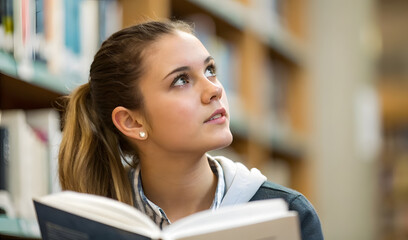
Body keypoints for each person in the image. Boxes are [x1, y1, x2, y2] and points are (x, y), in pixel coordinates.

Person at [58, 20, 323, 240]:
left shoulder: (288, 213)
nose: (214, 89)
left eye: (210, 70)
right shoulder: (94, 222)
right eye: (181, 80)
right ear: (132, 122)